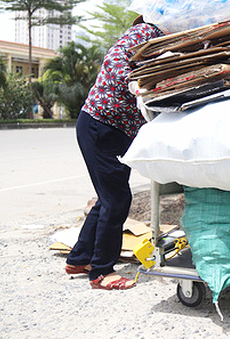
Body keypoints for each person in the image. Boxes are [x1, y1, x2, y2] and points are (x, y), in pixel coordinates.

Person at [65, 18, 165, 290]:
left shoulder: (169, 42)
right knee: (117, 198)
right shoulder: (148, 31)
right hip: (100, 126)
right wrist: (134, 85)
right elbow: (115, 59)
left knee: (108, 197)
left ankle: (79, 258)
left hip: (118, 132)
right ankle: (101, 272)